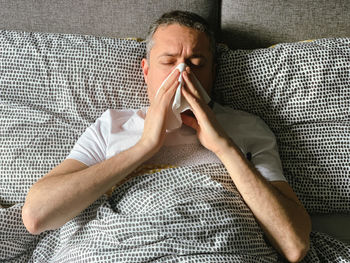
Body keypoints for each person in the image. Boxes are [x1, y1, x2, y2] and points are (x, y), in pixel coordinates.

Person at [22, 11, 311, 262]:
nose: (183, 74)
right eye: (169, 61)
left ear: (213, 72)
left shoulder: (247, 127)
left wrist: (224, 147)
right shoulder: (112, 125)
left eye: (196, 63)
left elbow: (294, 245)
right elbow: (37, 216)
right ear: (146, 71)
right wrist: (146, 146)